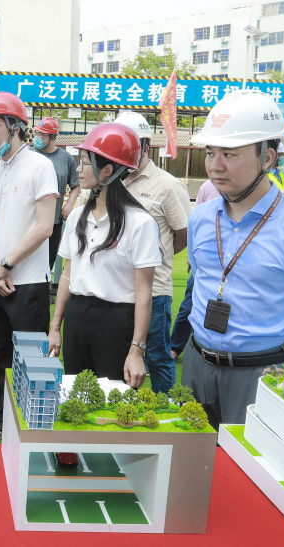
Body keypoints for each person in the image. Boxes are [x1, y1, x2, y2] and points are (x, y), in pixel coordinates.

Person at [184, 89, 284, 430]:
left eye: (229, 153)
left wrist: (270, 355)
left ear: (267, 158)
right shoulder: (200, 218)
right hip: (195, 364)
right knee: (189, 457)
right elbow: (200, 282)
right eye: (210, 152)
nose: (214, 165)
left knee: (247, 461)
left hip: (258, 373)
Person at [0, 92, 59, 444]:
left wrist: (6, 264)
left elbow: (44, 227)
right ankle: (3, 419)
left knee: (32, 361)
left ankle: (33, 427)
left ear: (15, 127)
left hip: (30, 282)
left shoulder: (40, 166)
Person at [47, 123, 161, 387]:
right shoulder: (76, 216)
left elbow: (144, 291)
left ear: (107, 170)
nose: (78, 169)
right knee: (75, 394)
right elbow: (67, 276)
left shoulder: (140, 223)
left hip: (116, 323)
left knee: (113, 399)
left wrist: (136, 350)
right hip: (76, 317)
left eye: (84, 162)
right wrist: (55, 327)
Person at [115, 110, 192, 394]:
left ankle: (163, 408)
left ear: (145, 146)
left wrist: (154, 259)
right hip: (116, 287)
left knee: (157, 356)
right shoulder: (111, 180)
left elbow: (183, 234)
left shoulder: (167, 185)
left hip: (154, 290)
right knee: (121, 353)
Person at [170, 179, 221, 359]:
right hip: (205, 260)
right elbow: (195, 223)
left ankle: (211, 348)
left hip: (233, 263)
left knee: (220, 307)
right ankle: (175, 347)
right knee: (189, 305)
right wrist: (191, 256)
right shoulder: (207, 187)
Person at [31, 116, 81, 296]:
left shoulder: (66, 159)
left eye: (42, 135)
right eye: (37, 133)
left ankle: (42, 295)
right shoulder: (28, 155)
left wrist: (69, 203)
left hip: (54, 222)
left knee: (48, 260)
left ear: (53, 137)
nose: (38, 137)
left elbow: (76, 185)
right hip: (29, 220)